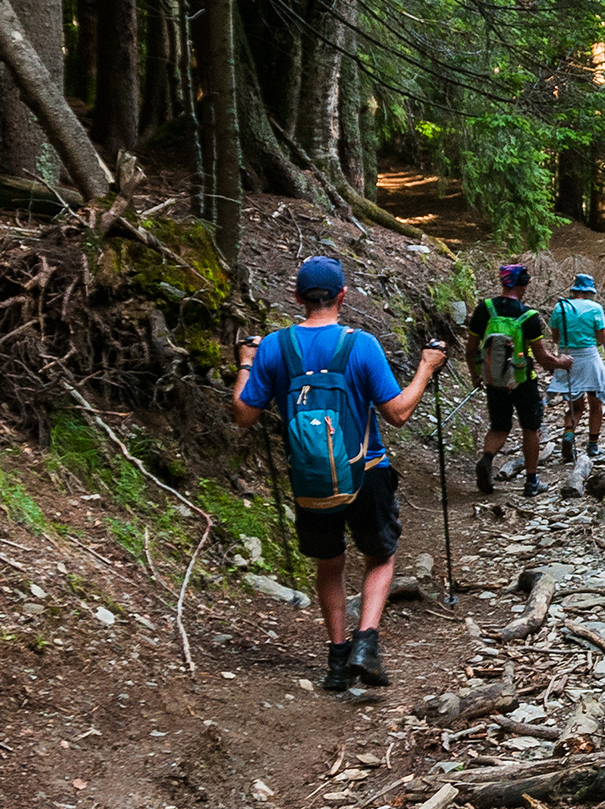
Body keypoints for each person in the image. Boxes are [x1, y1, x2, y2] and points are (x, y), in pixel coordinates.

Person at [230, 255, 450, 691]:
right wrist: (426, 367)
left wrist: (246, 362)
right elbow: (397, 413)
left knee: (329, 564)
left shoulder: (274, 347)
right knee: (381, 557)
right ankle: (365, 643)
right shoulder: (361, 344)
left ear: (297, 297)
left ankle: (335, 661)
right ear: (342, 296)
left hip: (309, 479)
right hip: (366, 471)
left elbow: (242, 415)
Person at [464, 262, 567, 498]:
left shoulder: (485, 309)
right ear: (522, 286)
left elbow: (470, 350)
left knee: (499, 426)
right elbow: (542, 358)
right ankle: (531, 482)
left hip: (494, 380)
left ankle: (487, 459)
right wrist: (562, 362)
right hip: (522, 380)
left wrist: (476, 375)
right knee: (531, 428)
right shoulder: (528, 316)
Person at [548, 271, 605, 460]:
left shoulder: (560, 307)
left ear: (575, 290)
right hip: (589, 357)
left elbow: (555, 337)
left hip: (567, 359)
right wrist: (602, 337)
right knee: (595, 403)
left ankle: (569, 434)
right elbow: (601, 338)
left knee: (576, 405)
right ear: (589, 291)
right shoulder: (595, 308)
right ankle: (593, 445)